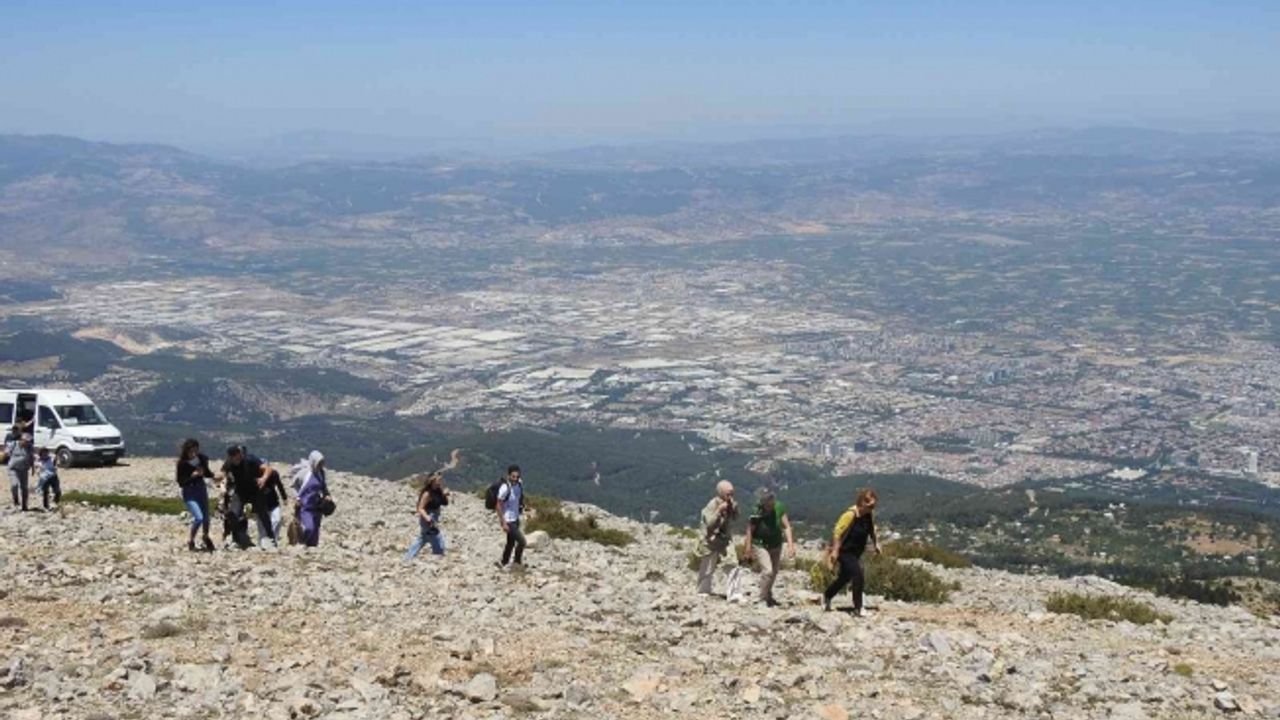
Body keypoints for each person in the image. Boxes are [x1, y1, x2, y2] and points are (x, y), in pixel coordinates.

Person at [822, 488, 882, 615]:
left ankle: (827, 595)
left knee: (844, 577)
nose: (871, 508)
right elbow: (838, 533)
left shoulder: (868, 516)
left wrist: (877, 544)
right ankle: (858, 608)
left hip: (856, 551)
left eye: (873, 506)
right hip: (845, 551)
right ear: (861, 502)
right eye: (869, 505)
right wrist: (835, 551)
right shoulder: (850, 515)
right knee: (858, 574)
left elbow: (872, 530)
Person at [742, 489, 796, 607]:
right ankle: (761, 598)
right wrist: (748, 549)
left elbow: (786, 526)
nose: (769, 507)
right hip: (760, 543)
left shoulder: (779, 508)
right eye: (767, 505)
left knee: (775, 571)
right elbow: (750, 530)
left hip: (776, 544)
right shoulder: (756, 511)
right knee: (768, 571)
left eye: (771, 504)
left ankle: (768, 595)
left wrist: (790, 545)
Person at [220, 446, 272, 549]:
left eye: (237, 455)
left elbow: (267, 468)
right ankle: (238, 539)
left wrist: (263, 478)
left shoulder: (250, 460)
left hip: (255, 492)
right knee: (234, 515)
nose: (235, 459)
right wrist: (218, 479)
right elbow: (223, 473)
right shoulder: (229, 463)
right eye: (233, 457)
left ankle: (270, 538)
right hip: (240, 493)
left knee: (262, 514)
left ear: (240, 454)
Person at [695, 480, 739, 595]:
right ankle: (703, 590)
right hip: (711, 539)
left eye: (732, 493)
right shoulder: (712, 505)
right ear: (721, 492)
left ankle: (733, 593)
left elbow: (736, 517)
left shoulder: (731, 504)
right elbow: (709, 524)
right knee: (708, 565)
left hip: (725, 539)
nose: (731, 496)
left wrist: (734, 509)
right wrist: (719, 510)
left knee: (732, 563)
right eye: (728, 494)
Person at [175, 438, 216, 552]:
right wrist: (192, 476)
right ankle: (191, 539)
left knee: (206, 517)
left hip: (201, 489)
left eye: (195, 451)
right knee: (199, 518)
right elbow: (181, 482)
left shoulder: (202, 459)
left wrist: (213, 476)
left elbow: (207, 472)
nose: (193, 454)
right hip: (189, 491)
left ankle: (206, 536)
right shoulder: (182, 464)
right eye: (191, 451)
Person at [404, 472, 450, 561]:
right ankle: (439, 556)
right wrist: (428, 519)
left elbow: (445, 503)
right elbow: (420, 508)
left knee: (423, 538)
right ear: (433, 481)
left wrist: (445, 494)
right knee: (436, 537)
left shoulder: (438, 491)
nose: (440, 481)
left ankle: (407, 559)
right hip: (428, 518)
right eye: (439, 480)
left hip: (434, 517)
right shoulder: (427, 494)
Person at [296, 450, 331, 547]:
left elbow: (323, 486)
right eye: (319, 463)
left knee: (315, 531)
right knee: (309, 528)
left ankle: (311, 549)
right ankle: (301, 542)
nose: (321, 465)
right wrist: (297, 498)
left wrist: (327, 494)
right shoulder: (304, 473)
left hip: (317, 506)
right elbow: (294, 485)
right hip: (305, 506)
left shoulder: (321, 473)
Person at [495, 465, 526, 569]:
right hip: (508, 520)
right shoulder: (505, 488)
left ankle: (504, 562)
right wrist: (503, 522)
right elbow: (498, 505)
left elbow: (518, 499)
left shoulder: (519, 485)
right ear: (509, 476)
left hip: (516, 518)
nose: (515, 479)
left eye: (517, 476)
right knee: (522, 541)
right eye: (513, 476)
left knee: (511, 542)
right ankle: (516, 562)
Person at [254, 466, 288, 549]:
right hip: (260, 505)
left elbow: (279, 485)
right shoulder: (254, 475)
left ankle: (273, 541)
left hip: (273, 502)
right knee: (261, 527)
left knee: (277, 520)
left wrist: (284, 497)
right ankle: (262, 544)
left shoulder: (274, 474)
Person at [6, 429, 34, 511]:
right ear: (21, 440)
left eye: (28, 441)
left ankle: (24, 506)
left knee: (24, 488)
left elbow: (31, 457)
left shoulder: (29, 447)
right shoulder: (13, 444)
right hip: (13, 469)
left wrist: (32, 468)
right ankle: (15, 499)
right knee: (14, 485)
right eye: (26, 441)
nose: (27, 443)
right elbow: (5, 452)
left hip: (24, 469)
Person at [35, 447, 61, 511]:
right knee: (45, 492)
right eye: (43, 453)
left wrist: (56, 465)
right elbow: (36, 469)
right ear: (41, 454)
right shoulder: (38, 461)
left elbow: (57, 458)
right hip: (44, 478)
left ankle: (56, 501)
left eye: (46, 453)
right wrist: (38, 473)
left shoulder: (51, 458)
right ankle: (46, 506)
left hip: (53, 476)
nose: (45, 454)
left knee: (57, 490)